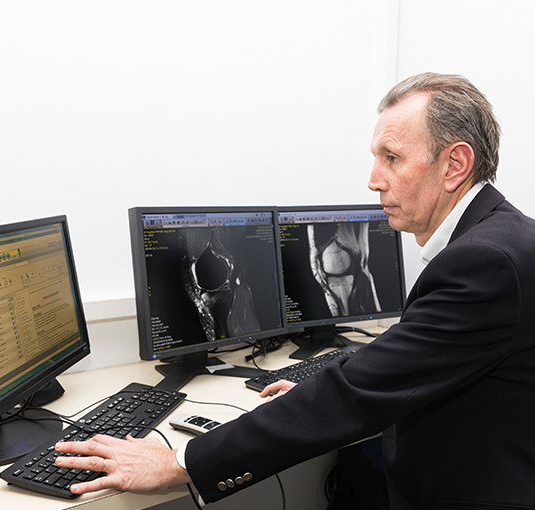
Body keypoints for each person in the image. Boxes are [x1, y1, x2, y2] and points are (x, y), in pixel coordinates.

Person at [55, 73, 535, 509]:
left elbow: (361, 393)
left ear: (455, 164)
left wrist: (183, 461)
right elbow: (411, 355)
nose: (373, 180)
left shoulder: (484, 262)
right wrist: (320, 377)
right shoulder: (499, 238)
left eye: (392, 158)